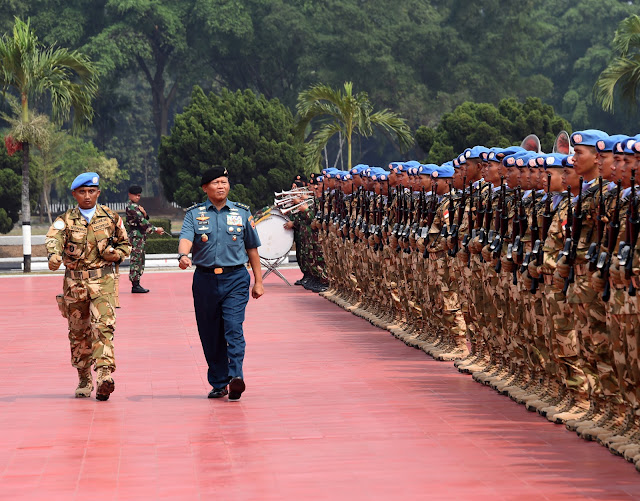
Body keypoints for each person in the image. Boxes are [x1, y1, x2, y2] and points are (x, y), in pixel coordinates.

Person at [178, 166, 264, 401]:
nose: (221, 186)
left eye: (224, 182)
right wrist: (183, 255)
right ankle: (219, 382)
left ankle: (236, 377)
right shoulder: (194, 214)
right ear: (205, 188)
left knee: (233, 327)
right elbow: (186, 238)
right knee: (210, 332)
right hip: (205, 280)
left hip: (235, 278)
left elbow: (252, 249)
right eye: (216, 182)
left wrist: (258, 281)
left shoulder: (242, 213)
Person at [45, 172, 131, 401]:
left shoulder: (111, 217)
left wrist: (116, 254)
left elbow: (125, 244)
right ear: (74, 194)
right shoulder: (65, 220)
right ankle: (84, 378)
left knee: (103, 327)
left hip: (103, 282)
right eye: (82, 192)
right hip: (75, 284)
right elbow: (54, 239)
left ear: (98, 193)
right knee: (78, 333)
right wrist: (53, 256)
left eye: (91, 191)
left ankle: (104, 376)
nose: (87, 196)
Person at [125, 185, 165, 293]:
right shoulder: (132, 207)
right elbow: (142, 221)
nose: (138, 197)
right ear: (129, 195)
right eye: (135, 195)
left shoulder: (136, 207)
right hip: (136, 236)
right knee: (136, 259)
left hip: (140, 236)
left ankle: (137, 283)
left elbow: (143, 218)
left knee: (140, 259)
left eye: (139, 195)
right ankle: (135, 285)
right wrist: (156, 229)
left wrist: (145, 214)